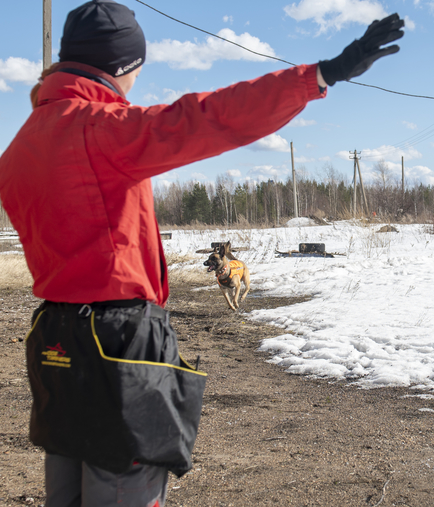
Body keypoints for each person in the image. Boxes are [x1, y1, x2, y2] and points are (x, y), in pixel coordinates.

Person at [0, 1, 404, 506]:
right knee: (125, 487)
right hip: (118, 340)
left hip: (55, 340)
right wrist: (323, 74)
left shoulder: (22, 143)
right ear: (124, 65)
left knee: (67, 489)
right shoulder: (103, 128)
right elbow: (208, 118)